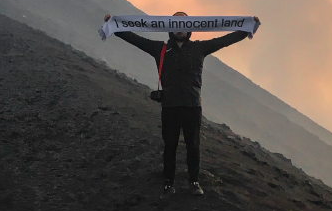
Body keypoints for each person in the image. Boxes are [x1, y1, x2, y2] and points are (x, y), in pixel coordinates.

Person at [103, 11, 260, 199]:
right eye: (176, 25)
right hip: (170, 107)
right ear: (171, 28)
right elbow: (135, 39)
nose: (180, 29)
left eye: (184, 25)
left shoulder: (199, 48)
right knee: (170, 146)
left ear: (189, 29)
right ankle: (168, 184)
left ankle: (194, 182)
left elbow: (223, 40)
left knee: (193, 146)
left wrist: (246, 28)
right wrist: (114, 25)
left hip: (192, 106)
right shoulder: (159, 49)